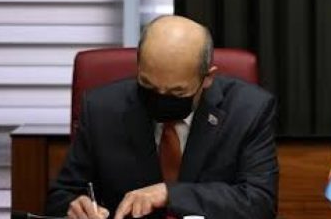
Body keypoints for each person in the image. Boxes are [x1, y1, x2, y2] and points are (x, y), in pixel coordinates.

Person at [46, 15, 278, 219]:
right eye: (148, 85)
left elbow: (260, 202)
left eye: (177, 92)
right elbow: (62, 195)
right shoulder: (101, 109)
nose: (161, 98)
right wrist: (76, 208)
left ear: (207, 78)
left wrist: (170, 193)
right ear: (139, 67)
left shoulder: (248, 110)